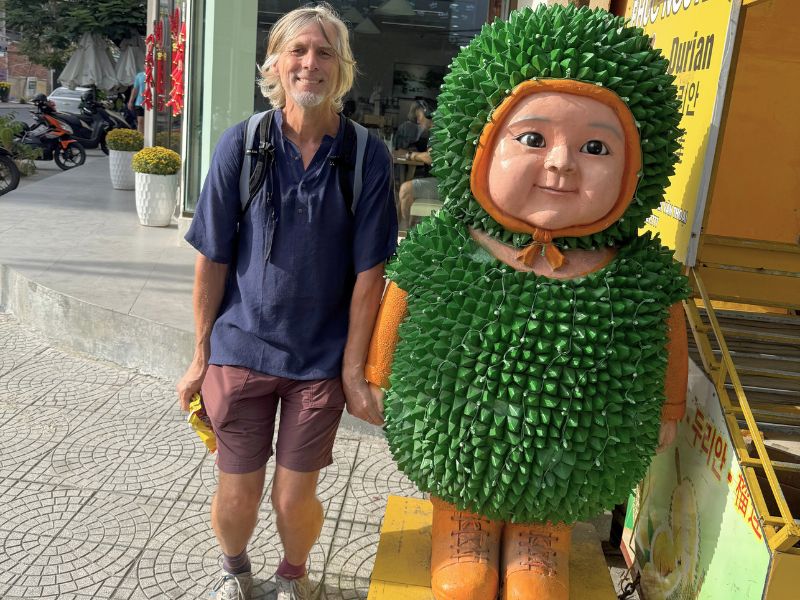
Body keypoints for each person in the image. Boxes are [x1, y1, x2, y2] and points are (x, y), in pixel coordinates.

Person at [177, 4, 397, 600]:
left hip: (318, 360)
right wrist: (199, 356)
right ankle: (236, 573)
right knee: (237, 492)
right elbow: (212, 258)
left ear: (342, 68)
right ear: (274, 62)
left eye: (325, 52)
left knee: (294, 495)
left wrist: (354, 369)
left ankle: (294, 577)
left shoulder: (364, 156)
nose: (310, 63)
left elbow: (369, 272)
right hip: (240, 348)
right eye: (298, 50)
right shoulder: (241, 145)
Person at [394, 98, 438, 229]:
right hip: (439, 181)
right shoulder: (435, 132)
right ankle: (407, 230)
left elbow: (431, 157)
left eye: (419, 116)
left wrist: (411, 155)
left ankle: (406, 232)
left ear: (429, 114)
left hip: (445, 185)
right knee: (402, 191)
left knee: (404, 190)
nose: (418, 121)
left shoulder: (439, 132)